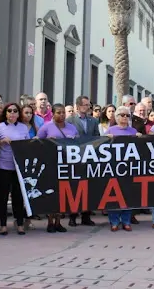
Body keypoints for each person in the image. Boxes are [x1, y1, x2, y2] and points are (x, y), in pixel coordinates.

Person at [37, 103, 78, 233]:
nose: (61, 115)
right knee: (52, 193)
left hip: (66, 164)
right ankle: (50, 222)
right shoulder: (46, 127)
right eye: (58, 112)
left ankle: (58, 222)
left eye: (63, 112)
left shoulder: (72, 128)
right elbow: (36, 142)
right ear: (53, 114)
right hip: (51, 164)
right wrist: (47, 141)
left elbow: (79, 143)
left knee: (63, 193)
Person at [0, 102, 30, 235]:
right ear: (5, 113)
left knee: (18, 196)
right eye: (9, 111)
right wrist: (1, 142)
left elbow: (28, 144)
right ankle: (3, 225)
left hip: (18, 167)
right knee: (3, 196)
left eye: (15, 111)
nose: (12, 113)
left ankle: (20, 224)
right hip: (3, 166)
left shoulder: (23, 127)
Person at [104, 105, 140, 231]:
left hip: (129, 168)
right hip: (114, 168)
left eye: (127, 115)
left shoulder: (133, 131)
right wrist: (106, 138)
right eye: (122, 115)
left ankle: (126, 221)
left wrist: (141, 138)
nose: (125, 117)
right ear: (116, 117)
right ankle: (114, 221)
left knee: (128, 195)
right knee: (113, 195)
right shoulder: (110, 130)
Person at [66, 95, 99, 227]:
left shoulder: (93, 121)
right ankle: (73, 216)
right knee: (75, 187)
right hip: (75, 158)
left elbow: (97, 137)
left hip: (89, 157)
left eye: (88, 105)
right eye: (85, 104)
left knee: (89, 187)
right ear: (78, 106)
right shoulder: (70, 120)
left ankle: (86, 216)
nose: (87, 107)